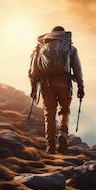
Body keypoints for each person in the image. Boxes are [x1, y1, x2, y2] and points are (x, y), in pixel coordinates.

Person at [35, 26, 84, 154]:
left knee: (49, 113)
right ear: (63, 34)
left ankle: (50, 146)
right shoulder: (69, 47)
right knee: (64, 111)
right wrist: (81, 87)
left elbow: (34, 71)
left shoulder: (41, 46)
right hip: (64, 83)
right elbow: (77, 70)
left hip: (47, 84)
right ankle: (63, 133)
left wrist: (34, 88)